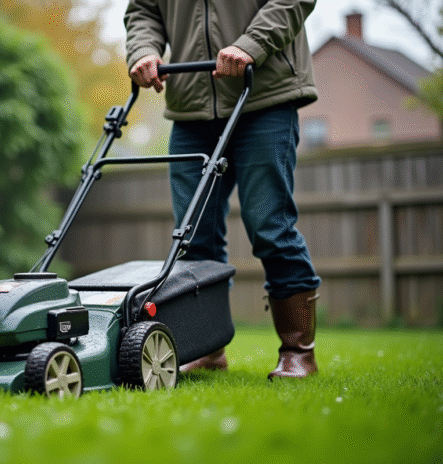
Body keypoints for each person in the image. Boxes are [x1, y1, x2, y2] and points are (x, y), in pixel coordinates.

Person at [124, 0, 322, 379]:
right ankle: (207, 346)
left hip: (263, 94)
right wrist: (144, 50)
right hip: (191, 105)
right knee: (192, 238)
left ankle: (298, 350)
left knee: (270, 227)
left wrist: (251, 43)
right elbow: (143, 11)